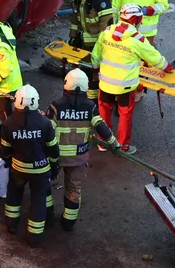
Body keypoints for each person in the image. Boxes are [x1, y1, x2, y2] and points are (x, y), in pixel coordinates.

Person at [90, 3, 172, 154]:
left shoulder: (107, 32)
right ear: (135, 19)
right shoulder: (137, 39)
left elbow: (95, 56)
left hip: (106, 83)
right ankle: (122, 146)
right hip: (125, 87)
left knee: (104, 112)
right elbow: (154, 57)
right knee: (125, 116)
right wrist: (168, 67)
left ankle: (102, 141)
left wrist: (95, 72)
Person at [45, 68, 120, 232]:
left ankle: (47, 216)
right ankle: (68, 223)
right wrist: (114, 144)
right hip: (78, 158)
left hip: (56, 157)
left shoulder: (56, 105)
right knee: (74, 190)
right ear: (85, 86)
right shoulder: (90, 107)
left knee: (44, 185)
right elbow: (102, 127)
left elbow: (46, 129)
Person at [1, 84, 60, 248]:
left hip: (18, 168)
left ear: (17, 102)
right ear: (36, 102)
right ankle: (34, 238)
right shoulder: (45, 123)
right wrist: (55, 166)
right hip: (40, 170)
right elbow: (53, 149)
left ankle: (11, 226)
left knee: (14, 194)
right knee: (38, 200)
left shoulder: (8, 123)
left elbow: (5, 149)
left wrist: (7, 160)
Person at [68, 0, 114, 101]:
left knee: (94, 75)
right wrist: (73, 36)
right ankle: (84, 98)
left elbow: (105, 28)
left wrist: (100, 49)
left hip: (96, 46)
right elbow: (76, 18)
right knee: (81, 72)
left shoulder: (101, 0)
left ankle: (94, 103)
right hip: (82, 44)